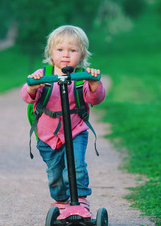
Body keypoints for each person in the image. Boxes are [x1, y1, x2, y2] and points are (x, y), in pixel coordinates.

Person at [21, 25, 106, 212]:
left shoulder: (82, 77)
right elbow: (27, 96)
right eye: (60, 50)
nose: (66, 55)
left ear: (82, 55)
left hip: (76, 131)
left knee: (76, 167)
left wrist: (94, 84)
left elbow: (96, 99)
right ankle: (60, 202)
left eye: (72, 50)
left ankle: (81, 200)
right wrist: (33, 86)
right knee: (55, 173)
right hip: (47, 135)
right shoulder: (43, 75)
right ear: (51, 53)